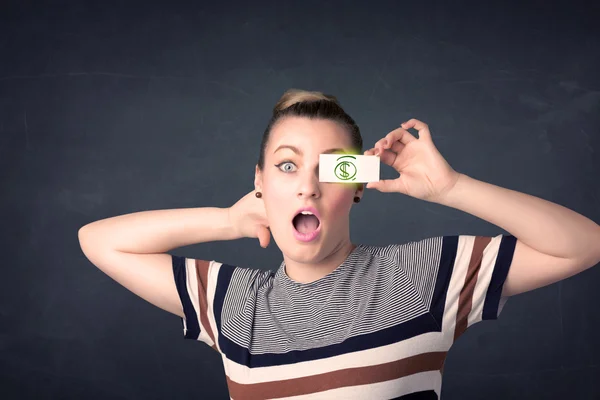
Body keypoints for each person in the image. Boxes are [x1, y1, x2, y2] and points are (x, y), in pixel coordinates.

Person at [78, 89, 600, 399]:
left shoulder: (418, 276)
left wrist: (453, 188)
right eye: (287, 166)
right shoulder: (231, 304)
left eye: (330, 168)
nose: (306, 185)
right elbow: (99, 241)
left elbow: (581, 245)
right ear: (260, 181)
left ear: (355, 187)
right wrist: (227, 220)